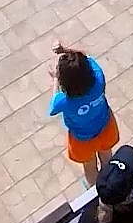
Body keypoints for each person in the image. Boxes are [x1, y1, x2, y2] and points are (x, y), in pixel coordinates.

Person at [49, 44, 119, 184]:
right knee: (107, 158)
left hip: (82, 140)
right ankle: (111, 185)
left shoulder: (63, 101)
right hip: (105, 128)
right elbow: (86, 56)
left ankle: (96, 192)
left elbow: (52, 107)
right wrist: (67, 50)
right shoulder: (99, 79)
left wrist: (55, 79)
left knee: (89, 168)